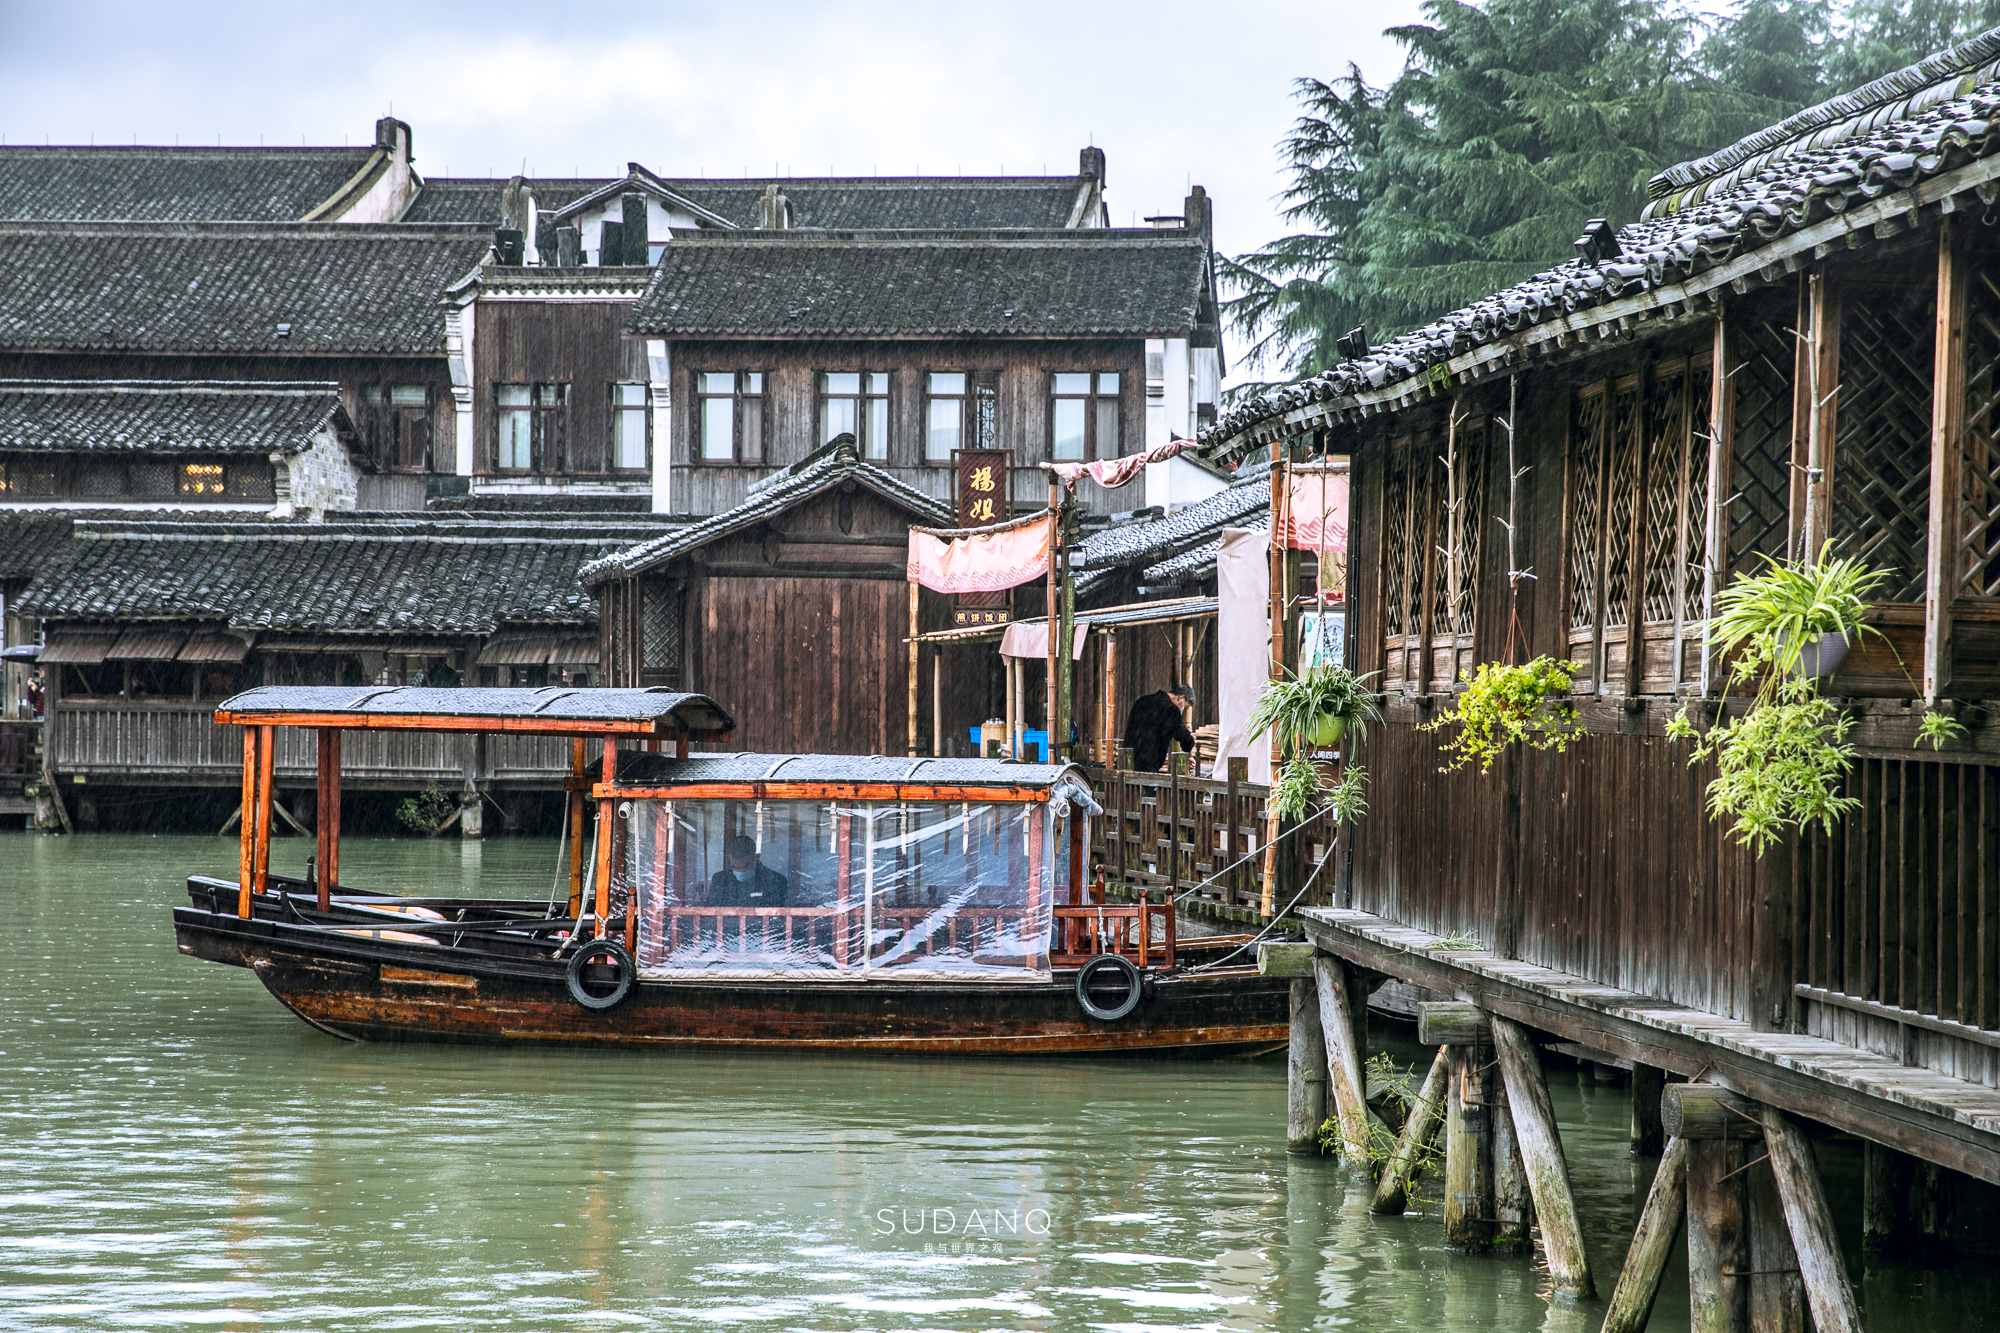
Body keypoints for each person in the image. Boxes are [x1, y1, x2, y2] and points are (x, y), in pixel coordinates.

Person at [1123, 684, 1196, 773]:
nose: (1182, 709)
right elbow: (1183, 737)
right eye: (1185, 707)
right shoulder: (1170, 710)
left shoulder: (1143, 700)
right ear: (1180, 698)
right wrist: (1189, 755)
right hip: (1147, 763)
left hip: (1128, 759)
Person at [708, 834, 789, 907]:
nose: (740, 871)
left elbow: (780, 913)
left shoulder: (774, 880)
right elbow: (711, 910)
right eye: (735, 867)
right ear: (729, 858)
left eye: (745, 867)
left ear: (756, 857)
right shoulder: (720, 879)